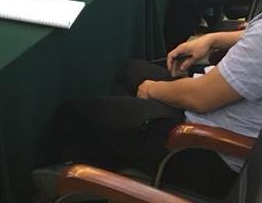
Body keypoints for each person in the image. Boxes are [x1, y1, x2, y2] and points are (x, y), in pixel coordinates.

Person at [35, 17, 262, 199]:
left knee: (76, 114)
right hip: (220, 116)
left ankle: (79, 186)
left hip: (208, 149)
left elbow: (201, 97)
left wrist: (152, 90)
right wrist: (213, 39)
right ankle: (112, 163)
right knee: (129, 71)